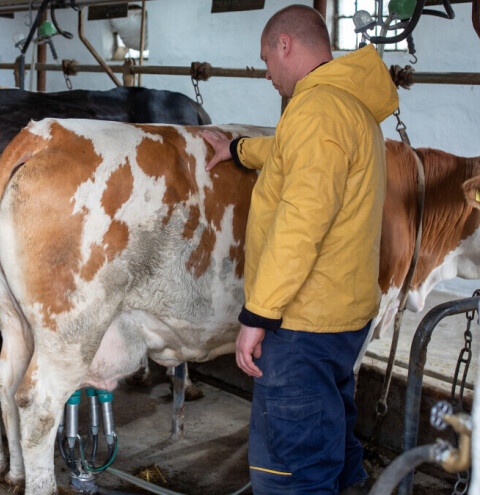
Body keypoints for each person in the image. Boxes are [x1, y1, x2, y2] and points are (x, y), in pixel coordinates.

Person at [200, 4, 398, 494]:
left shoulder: (316, 111)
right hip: (341, 319)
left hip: (302, 327)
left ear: (285, 45)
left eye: (266, 58)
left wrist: (257, 316)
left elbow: (300, 224)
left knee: (291, 471)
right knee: (331, 438)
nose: (267, 73)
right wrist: (241, 150)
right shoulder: (345, 106)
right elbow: (298, 157)